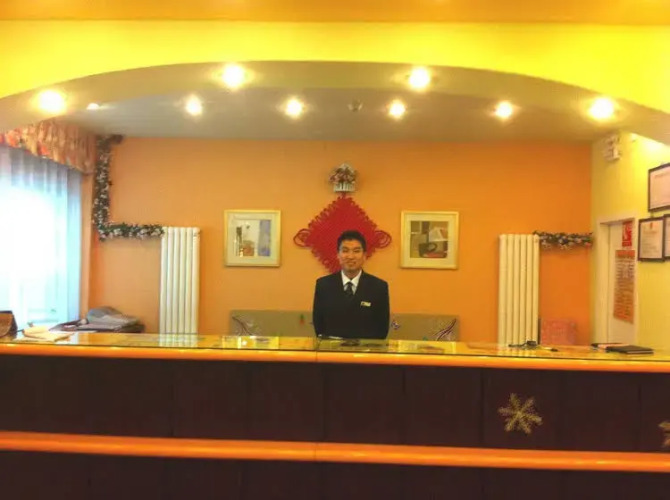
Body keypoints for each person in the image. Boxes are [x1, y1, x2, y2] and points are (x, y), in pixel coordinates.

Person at [312, 230, 390, 339]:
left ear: (364, 255)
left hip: (366, 349)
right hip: (331, 348)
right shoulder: (323, 285)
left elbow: (382, 328)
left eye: (356, 251)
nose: (350, 256)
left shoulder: (379, 287)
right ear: (338, 255)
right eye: (345, 251)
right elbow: (319, 325)